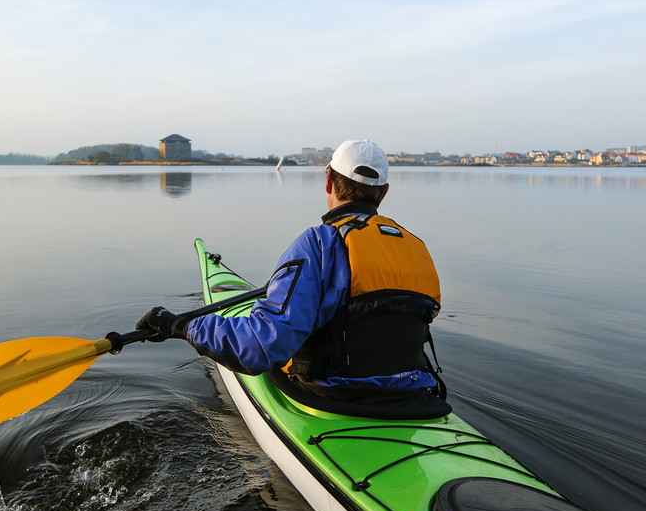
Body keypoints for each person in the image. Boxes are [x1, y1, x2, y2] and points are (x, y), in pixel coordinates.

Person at [136, 139, 447, 412]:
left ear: (328, 180)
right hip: (415, 394)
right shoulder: (417, 248)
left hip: (331, 396)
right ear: (384, 192)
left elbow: (261, 347)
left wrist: (181, 326)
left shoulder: (319, 244)